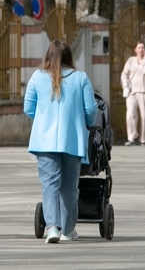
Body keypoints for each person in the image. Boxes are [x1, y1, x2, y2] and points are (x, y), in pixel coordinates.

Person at [24, 40, 97, 244]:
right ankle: (67, 230)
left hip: (44, 141)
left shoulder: (37, 77)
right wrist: (89, 124)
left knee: (49, 185)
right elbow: (91, 110)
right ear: (69, 56)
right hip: (72, 140)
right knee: (70, 187)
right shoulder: (81, 78)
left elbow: (28, 107)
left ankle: (52, 228)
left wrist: (42, 120)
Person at [120, 41, 145, 146]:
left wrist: (144, 60)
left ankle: (144, 139)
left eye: (143, 47)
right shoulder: (130, 60)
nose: (141, 50)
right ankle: (132, 137)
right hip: (131, 91)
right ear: (135, 49)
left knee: (144, 116)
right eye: (139, 48)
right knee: (130, 114)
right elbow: (124, 74)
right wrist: (125, 85)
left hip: (144, 91)